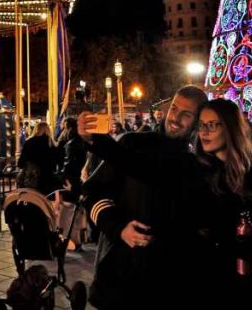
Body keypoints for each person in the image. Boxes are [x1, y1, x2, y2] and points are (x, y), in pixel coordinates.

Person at [80, 86, 208, 308]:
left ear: (197, 121)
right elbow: (92, 193)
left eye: (187, 114)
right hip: (124, 279)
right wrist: (118, 227)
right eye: (174, 108)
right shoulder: (133, 144)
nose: (176, 118)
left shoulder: (197, 165)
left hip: (174, 286)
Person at [195, 99, 252, 308]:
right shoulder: (196, 175)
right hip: (205, 285)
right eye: (201, 125)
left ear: (229, 128)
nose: (204, 132)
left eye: (211, 125)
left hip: (248, 285)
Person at [18, 121, 61, 196]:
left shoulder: (29, 142)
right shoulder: (52, 144)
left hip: (32, 178)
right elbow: (57, 161)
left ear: (36, 129)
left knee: (33, 200)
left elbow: (21, 162)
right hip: (48, 178)